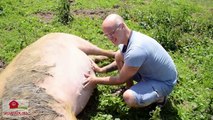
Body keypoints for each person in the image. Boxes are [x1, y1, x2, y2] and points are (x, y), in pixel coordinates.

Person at [83, 13, 178, 108]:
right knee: (118, 55)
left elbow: (120, 79)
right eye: (106, 35)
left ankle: (160, 98)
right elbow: (120, 60)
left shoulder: (136, 50)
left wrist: (94, 80)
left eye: (112, 33)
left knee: (129, 97)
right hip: (150, 73)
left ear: (122, 26)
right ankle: (130, 87)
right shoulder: (128, 39)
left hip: (163, 82)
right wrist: (101, 70)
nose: (110, 38)